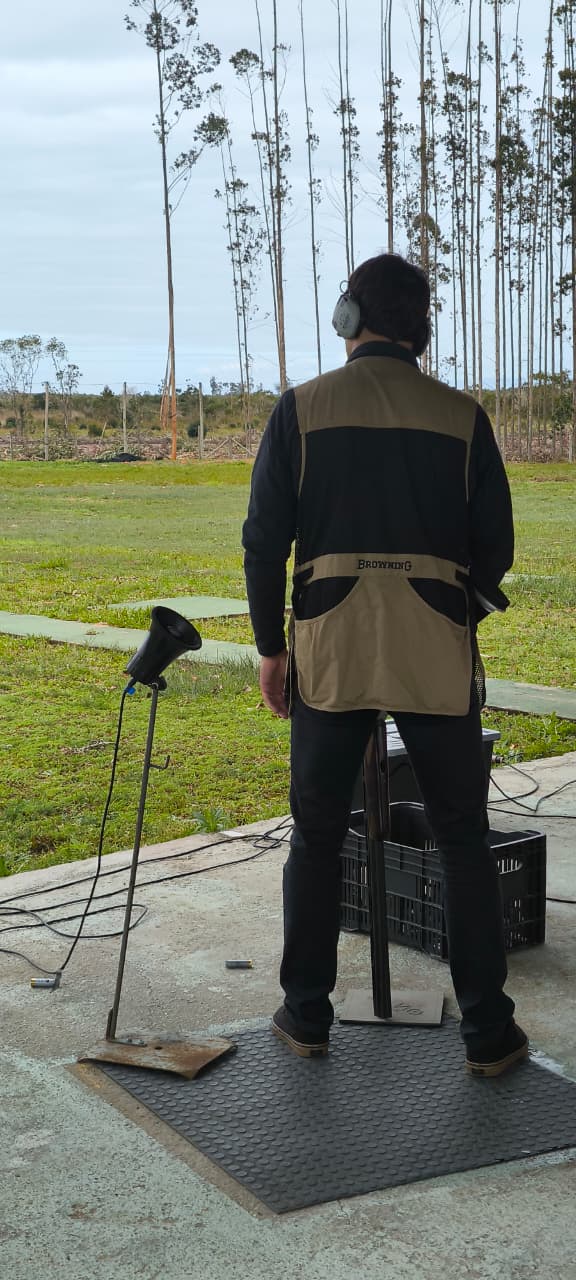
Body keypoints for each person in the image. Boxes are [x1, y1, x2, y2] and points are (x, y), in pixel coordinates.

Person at [242, 252, 527, 1078]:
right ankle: (488, 1033)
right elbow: (496, 549)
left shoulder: (301, 409)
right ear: (420, 328)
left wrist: (271, 647)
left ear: (348, 317)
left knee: (317, 835)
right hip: (435, 652)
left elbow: (264, 542)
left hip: (329, 649)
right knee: (462, 838)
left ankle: (306, 1016)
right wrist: (448, 612)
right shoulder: (463, 417)